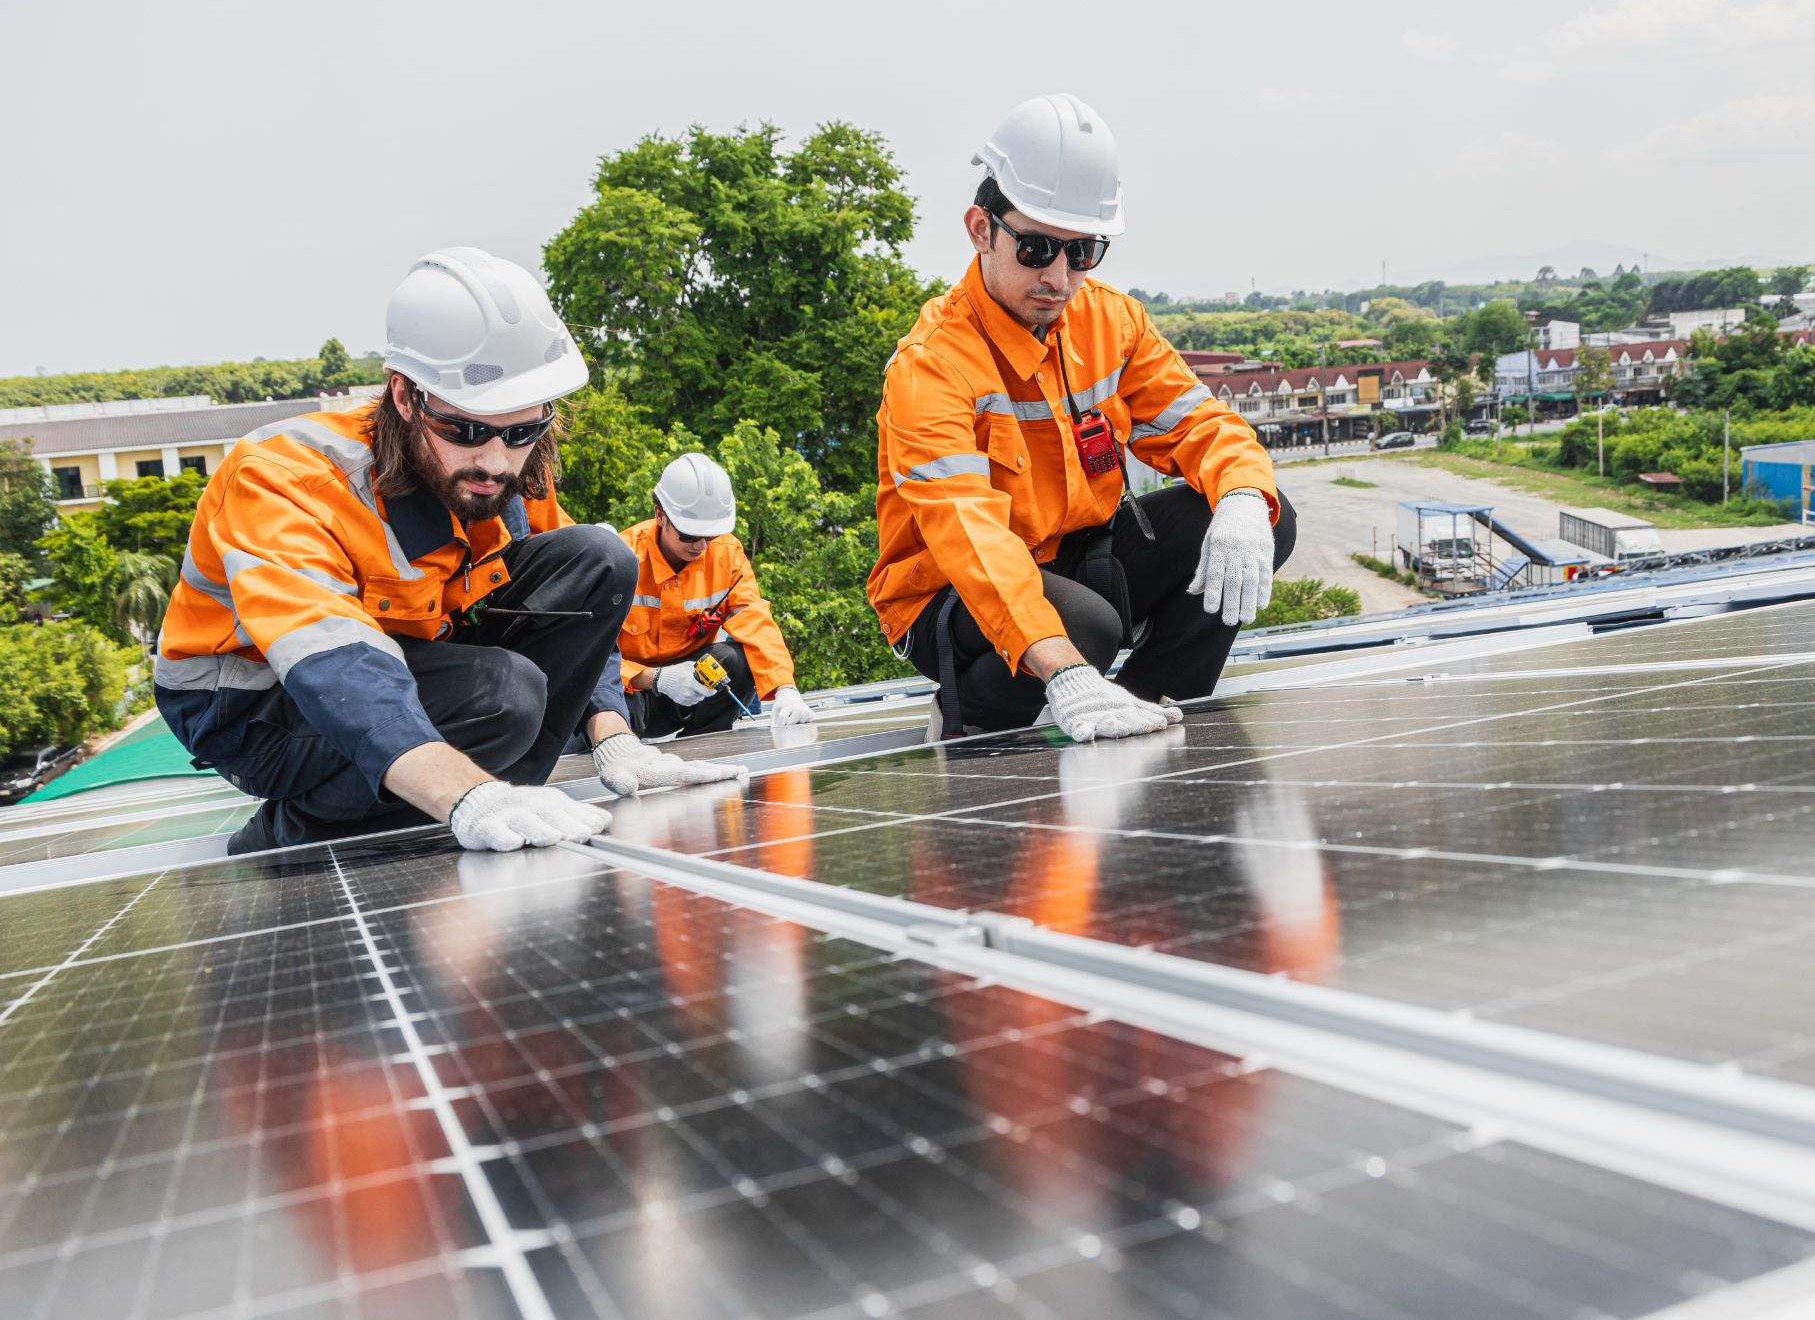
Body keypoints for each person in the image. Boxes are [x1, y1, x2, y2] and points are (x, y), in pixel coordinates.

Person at [155, 246, 745, 854]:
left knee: (598, 558)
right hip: (252, 700)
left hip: (404, 650)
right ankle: (302, 832)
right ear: (406, 397)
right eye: (466, 430)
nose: (494, 461)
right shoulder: (286, 477)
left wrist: (614, 734)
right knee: (504, 697)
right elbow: (334, 659)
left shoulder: (505, 473)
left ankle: (506, 797)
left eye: (520, 432)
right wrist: (463, 795)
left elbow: (582, 602)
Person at [869, 94, 1296, 742]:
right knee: (1084, 627)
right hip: (947, 592)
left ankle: (1144, 707)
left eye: (1084, 251)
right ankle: (979, 728)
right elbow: (970, 537)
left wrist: (1241, 495)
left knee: (1266, 515)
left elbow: (1201, 427)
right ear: (981, 229)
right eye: (1037, 248)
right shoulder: (931, 366)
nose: (1060, 278)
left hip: (1075, 555)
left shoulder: (1111, 322)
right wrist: (1065, 669)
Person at [618, 453, 813, 738]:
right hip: (631, 695)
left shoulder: (726, 555)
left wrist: (785, 688)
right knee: (604, 694)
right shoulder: (622, 560)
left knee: (738, 661)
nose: (701, 547)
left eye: (710, 536)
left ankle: (704, 743)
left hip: (694, 690)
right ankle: (624, 746)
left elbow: (754, 620)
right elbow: (593, 656)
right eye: (689, 536)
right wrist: (653, 678)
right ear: (660, 515)